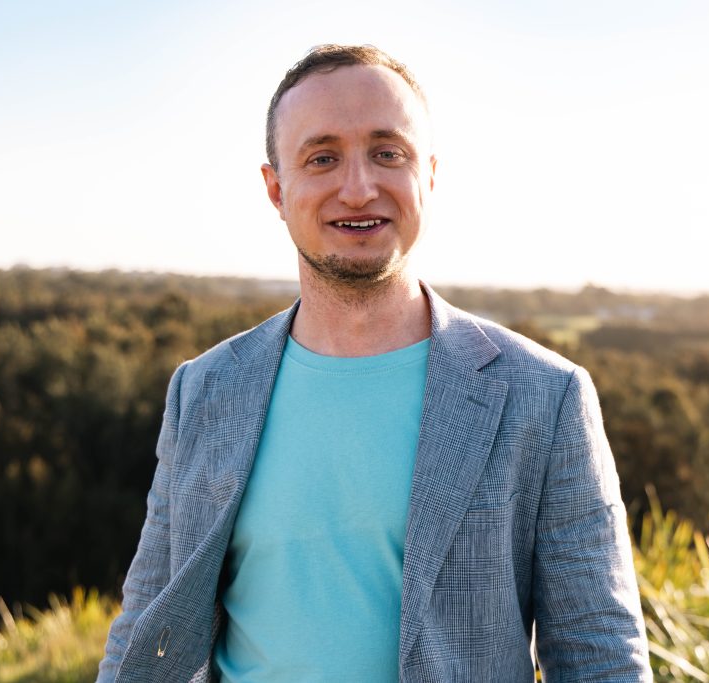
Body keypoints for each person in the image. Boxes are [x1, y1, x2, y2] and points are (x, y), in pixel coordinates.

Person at [98, 44, 652, 682]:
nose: (358, 188)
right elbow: (145, 629)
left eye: (388, 153)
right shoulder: (201, 390)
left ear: (430, 176)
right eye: (322, 157)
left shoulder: (545, 399)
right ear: (277, 189)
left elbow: (600, 657)